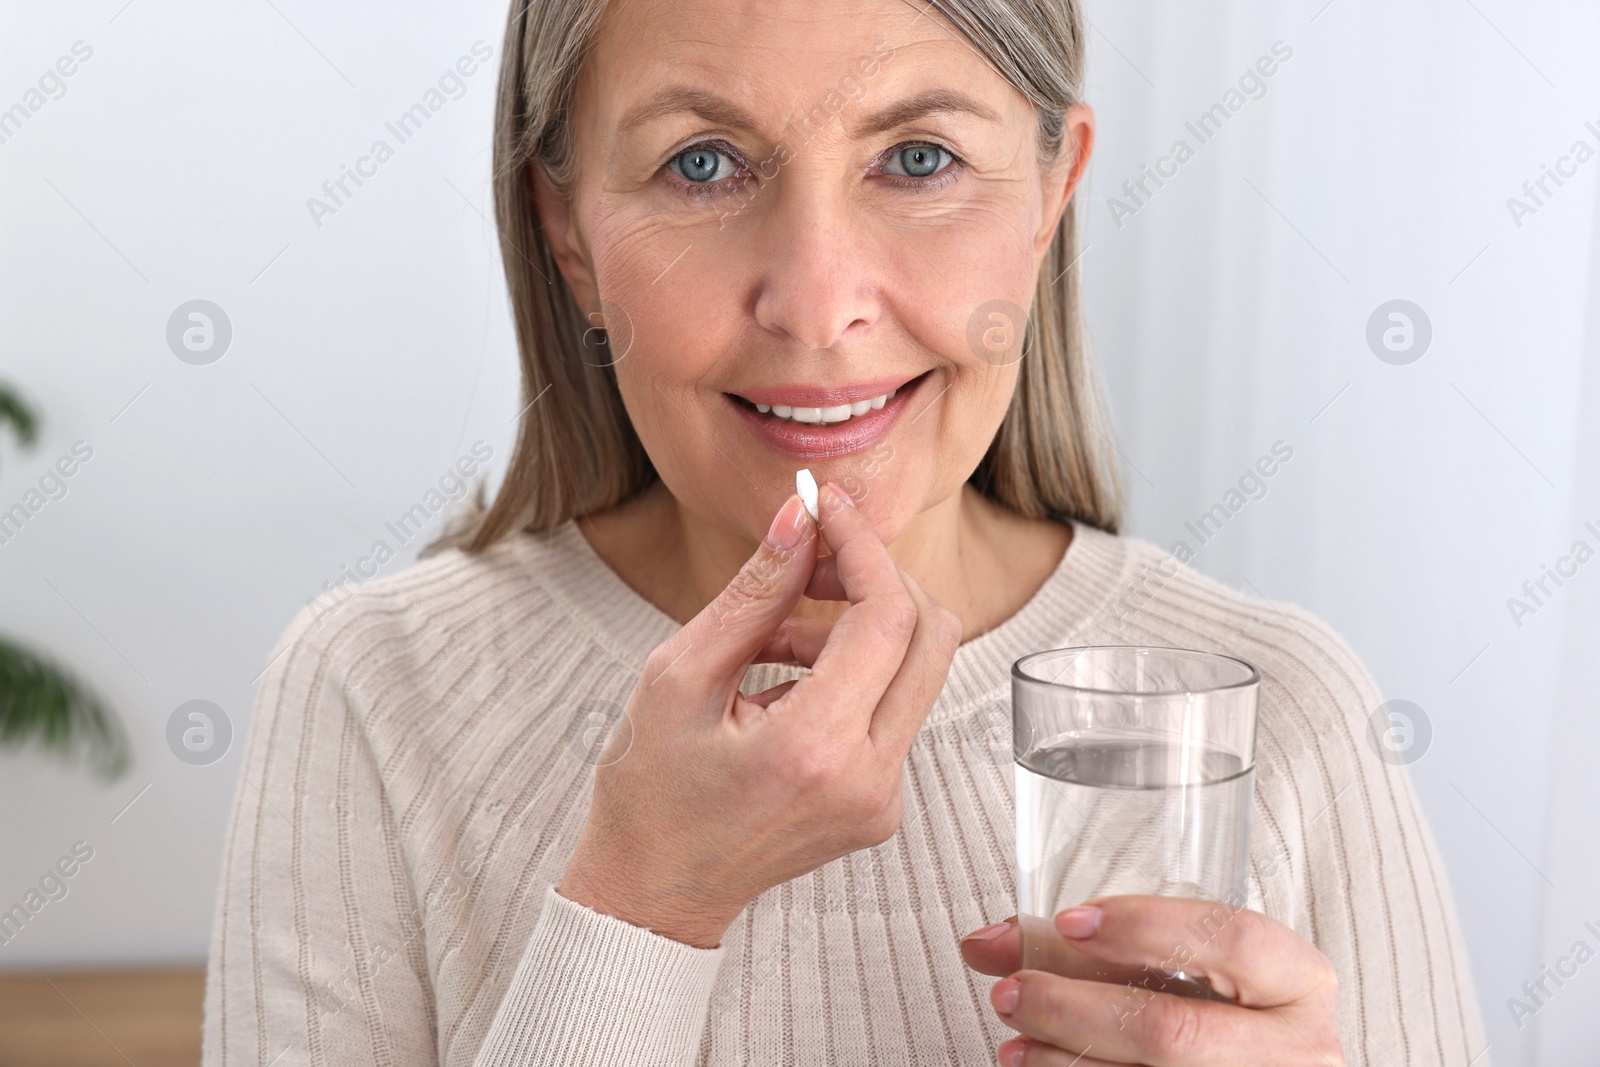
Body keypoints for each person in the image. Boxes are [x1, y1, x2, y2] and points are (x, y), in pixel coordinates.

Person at [202, 0, 1489, 1063]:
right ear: (569, 238)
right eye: (701, 163)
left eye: (917, 158)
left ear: (1051, 194)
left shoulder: (1289, 713)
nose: (817, 305)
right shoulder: (374, 692)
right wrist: (648, 900)